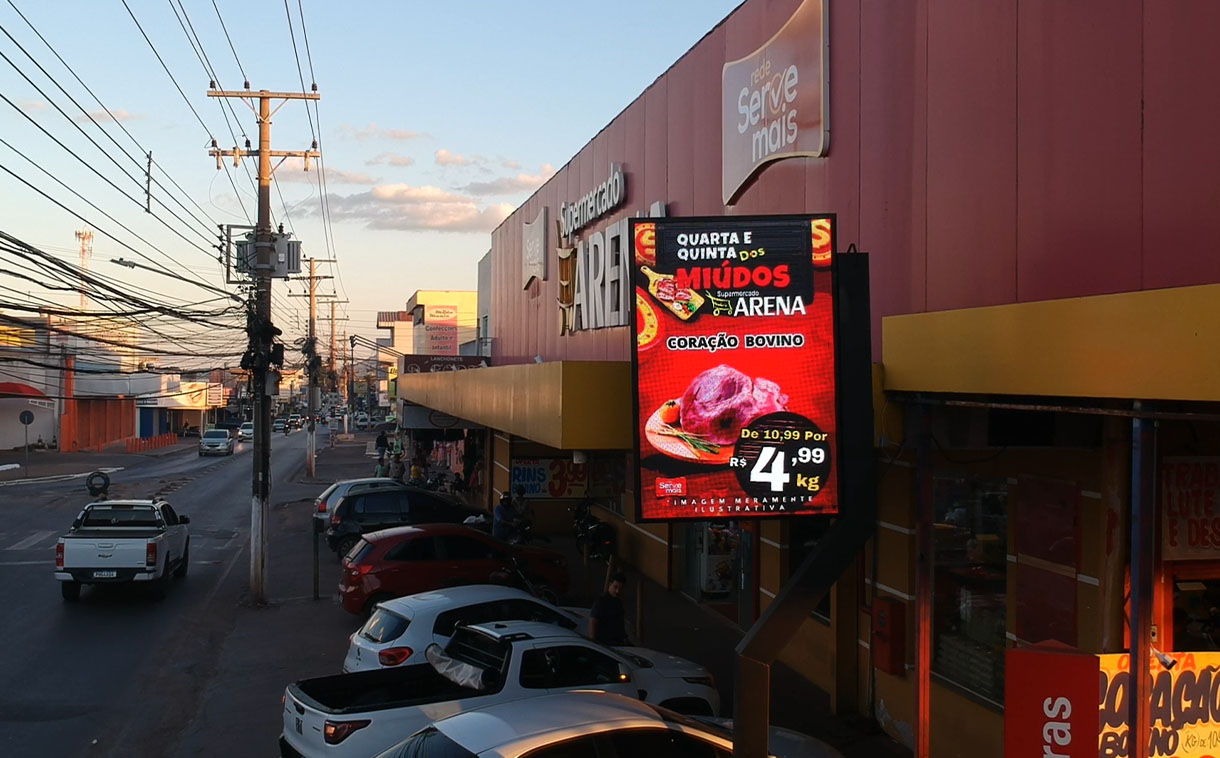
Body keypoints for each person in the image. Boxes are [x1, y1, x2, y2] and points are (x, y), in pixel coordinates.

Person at [589, 572, 629, 645]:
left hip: (617, 641)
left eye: (620, 589)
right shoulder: (601, 601)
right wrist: (593, 644)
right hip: (605, 643)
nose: (617, 591)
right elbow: (593, 621)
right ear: (610, 584)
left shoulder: (618, 601)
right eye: (615, 587)